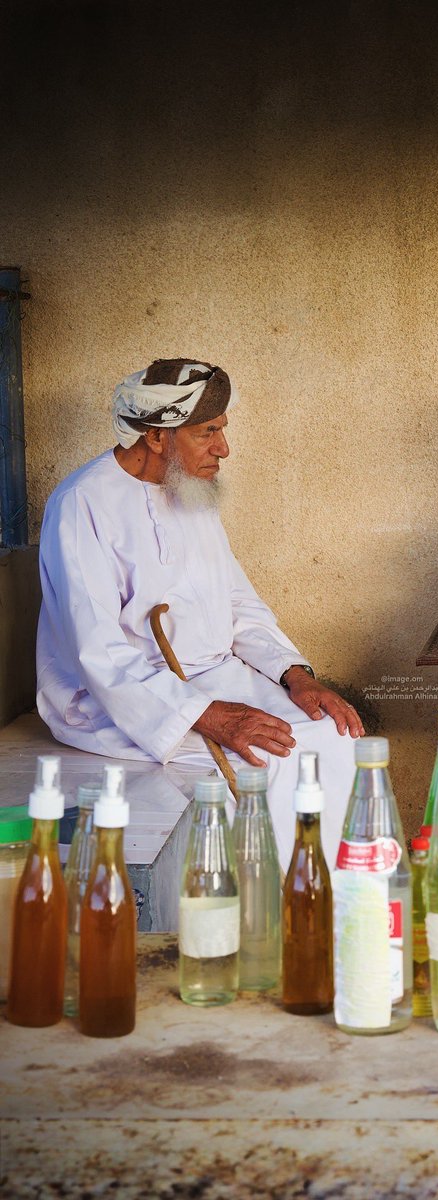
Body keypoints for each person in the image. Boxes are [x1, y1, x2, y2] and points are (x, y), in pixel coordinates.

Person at [36, 358, 362, 869]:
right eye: (207, 432)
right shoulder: (82, 504)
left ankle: (336, 911)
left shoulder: (189, 491)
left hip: (213, 679)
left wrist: (295, 676)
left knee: (334, 739)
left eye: (222, 430)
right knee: (265, 766)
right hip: (120, 703)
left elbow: (237, 602)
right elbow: (96, 653)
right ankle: (267, 921)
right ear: (158, 437)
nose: (223, 449)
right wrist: (208, 716)